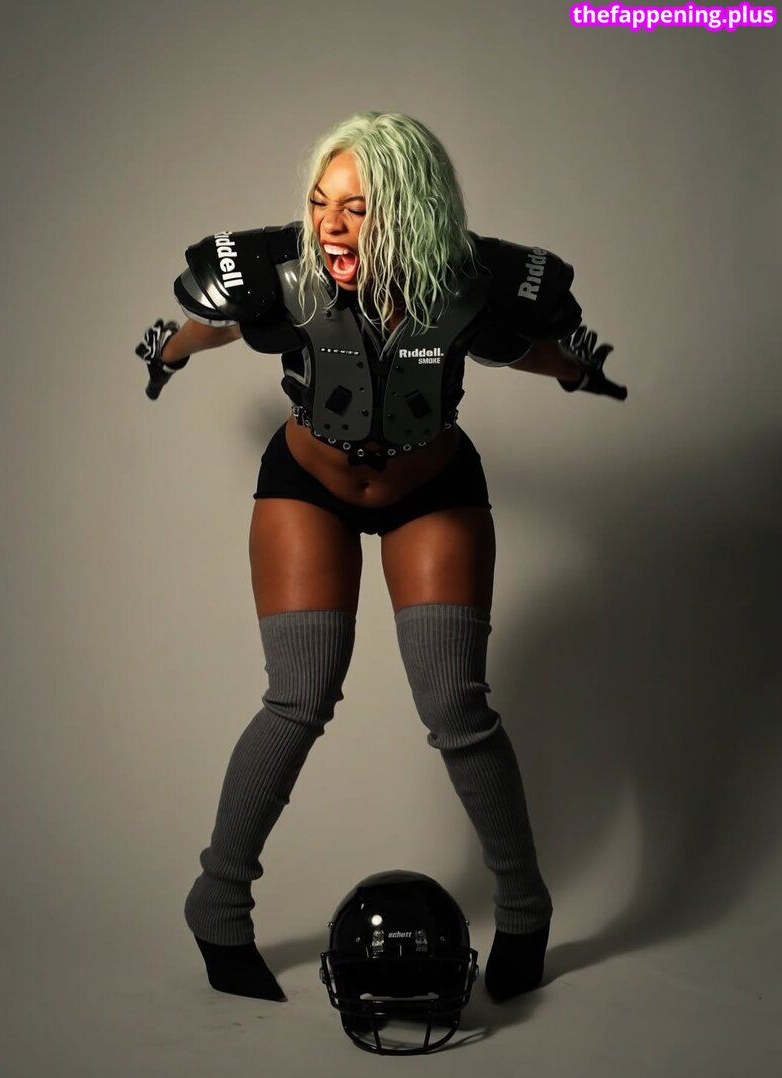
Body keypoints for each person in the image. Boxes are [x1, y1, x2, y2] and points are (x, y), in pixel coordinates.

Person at [135, 111, 625, 1006]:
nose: (330, 225)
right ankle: (216, 902)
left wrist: (575, 370)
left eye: (356, 209)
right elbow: (217, 324)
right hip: (309, 483)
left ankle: (524, 908)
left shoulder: (469, 283)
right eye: (321, 202)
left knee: (457, 707)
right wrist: (166, 352)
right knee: (298, 697)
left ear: (411, 211)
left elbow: (521, 347)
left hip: (431, 487)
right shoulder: (286, 275)